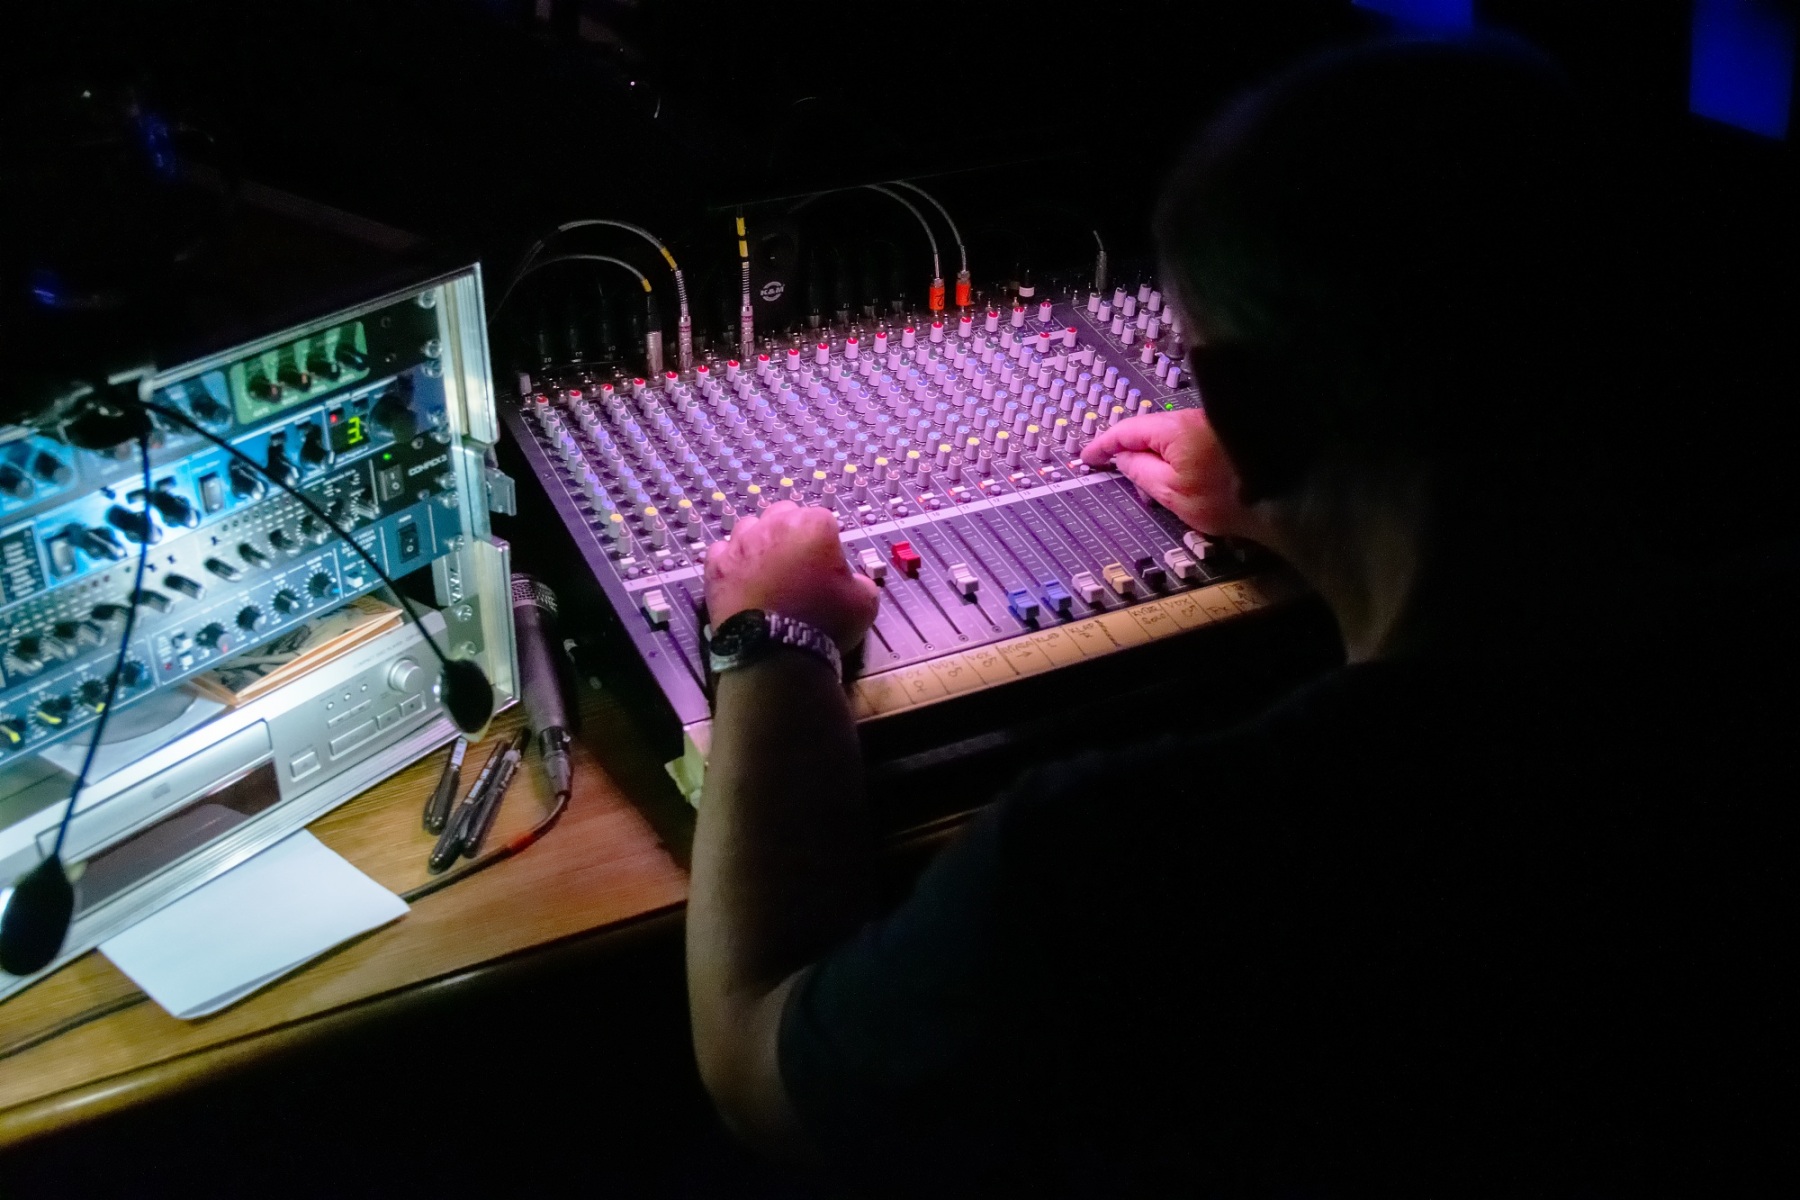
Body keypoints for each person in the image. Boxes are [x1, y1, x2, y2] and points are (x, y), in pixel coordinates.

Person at [685, 36, 1794, 1197]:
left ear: (1253, 413)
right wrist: (1297, 486)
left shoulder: (1116, 859)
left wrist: (774, 644)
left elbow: (756, 1068)